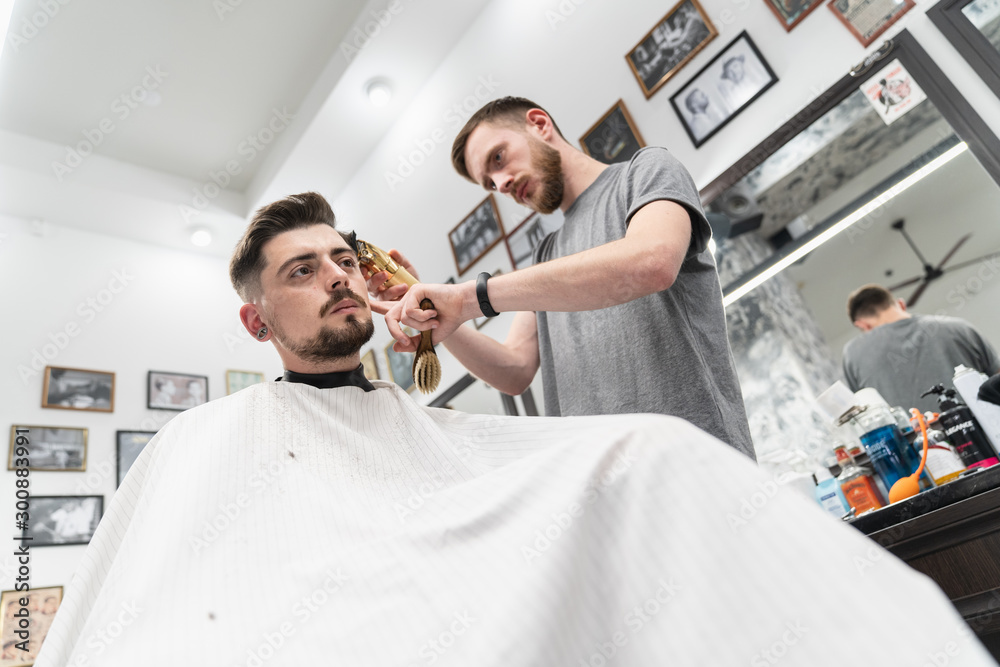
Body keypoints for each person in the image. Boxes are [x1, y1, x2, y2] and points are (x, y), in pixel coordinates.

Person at [33, 193, 998, 666]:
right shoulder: (208, 442)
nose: (333, 276)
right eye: (300, 272)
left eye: (339, 258)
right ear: (257, 321)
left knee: (655, 449)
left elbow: (515, 393)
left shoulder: (414, 413)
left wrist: (454, 315)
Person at [371, 97, 754, 460]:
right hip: (601, 493)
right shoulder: (546, 254)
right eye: (489, 183)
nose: (500, 184)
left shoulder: (646, 172)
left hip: (698, 466)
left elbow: (652, 261)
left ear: (539, 124)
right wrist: (440, 316)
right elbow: (515, 370)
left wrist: (471, 298)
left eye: (498, 158)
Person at [842, 284, 1000, 411]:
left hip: (919, 448)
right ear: (901, 304)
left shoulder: (852, 354)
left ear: (862, 325)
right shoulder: (959, 327)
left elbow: (863, 410)